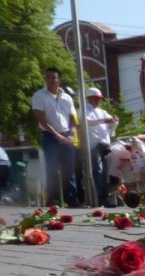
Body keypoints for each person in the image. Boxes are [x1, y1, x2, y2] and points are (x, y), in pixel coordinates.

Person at [31, 67, 77, 206]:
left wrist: (72, 134)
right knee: (52, 168)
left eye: (54, 77)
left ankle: (72, 200)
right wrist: (56, 135)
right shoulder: (39, 96)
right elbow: (41, 119)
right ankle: (54, 200)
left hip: (66, 135)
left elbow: (73, 119)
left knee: (69, 168)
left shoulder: (67, 97)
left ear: (59, 80)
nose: (50, 80)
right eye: (48, 77)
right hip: (50, 136)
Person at [83, 87, 117, 208]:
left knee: (104, 173)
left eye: (99, 99)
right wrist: (104, 120)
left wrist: (114, 123)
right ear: (89, 98)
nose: (98, 101)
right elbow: (87, 122)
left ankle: (103, 198)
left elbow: (112, 131)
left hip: (105, 144)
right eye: (96, 98)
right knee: (98, 170)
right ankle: (96, 198)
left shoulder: (102, 112)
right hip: (94, 144)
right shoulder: (84, 109)